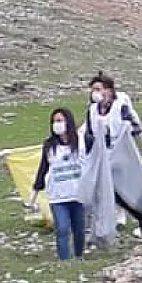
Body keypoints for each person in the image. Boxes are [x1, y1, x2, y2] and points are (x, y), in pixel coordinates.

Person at [85, 72, 142, 240]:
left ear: (109, 90)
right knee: (107, 192)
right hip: (102, 158)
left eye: (98, 89)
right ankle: (106, 227)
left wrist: (126, 134)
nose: (95, 93)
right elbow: (88, 134)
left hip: (121, 155)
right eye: (93, 90)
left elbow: (134, 127)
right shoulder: (91, 110)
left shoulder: (120, 107)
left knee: (125, 190)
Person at [29, 108, 87, 260]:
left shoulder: (82, 141)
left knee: (79, 229)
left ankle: (79, 256)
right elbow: (43, 168)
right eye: (54, 121)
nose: (57, 124)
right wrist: (34, 194)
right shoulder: (49, 145)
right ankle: (64, 260)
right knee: (61, 228)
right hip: (58, 196)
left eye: (60, 120)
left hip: (78, 194)